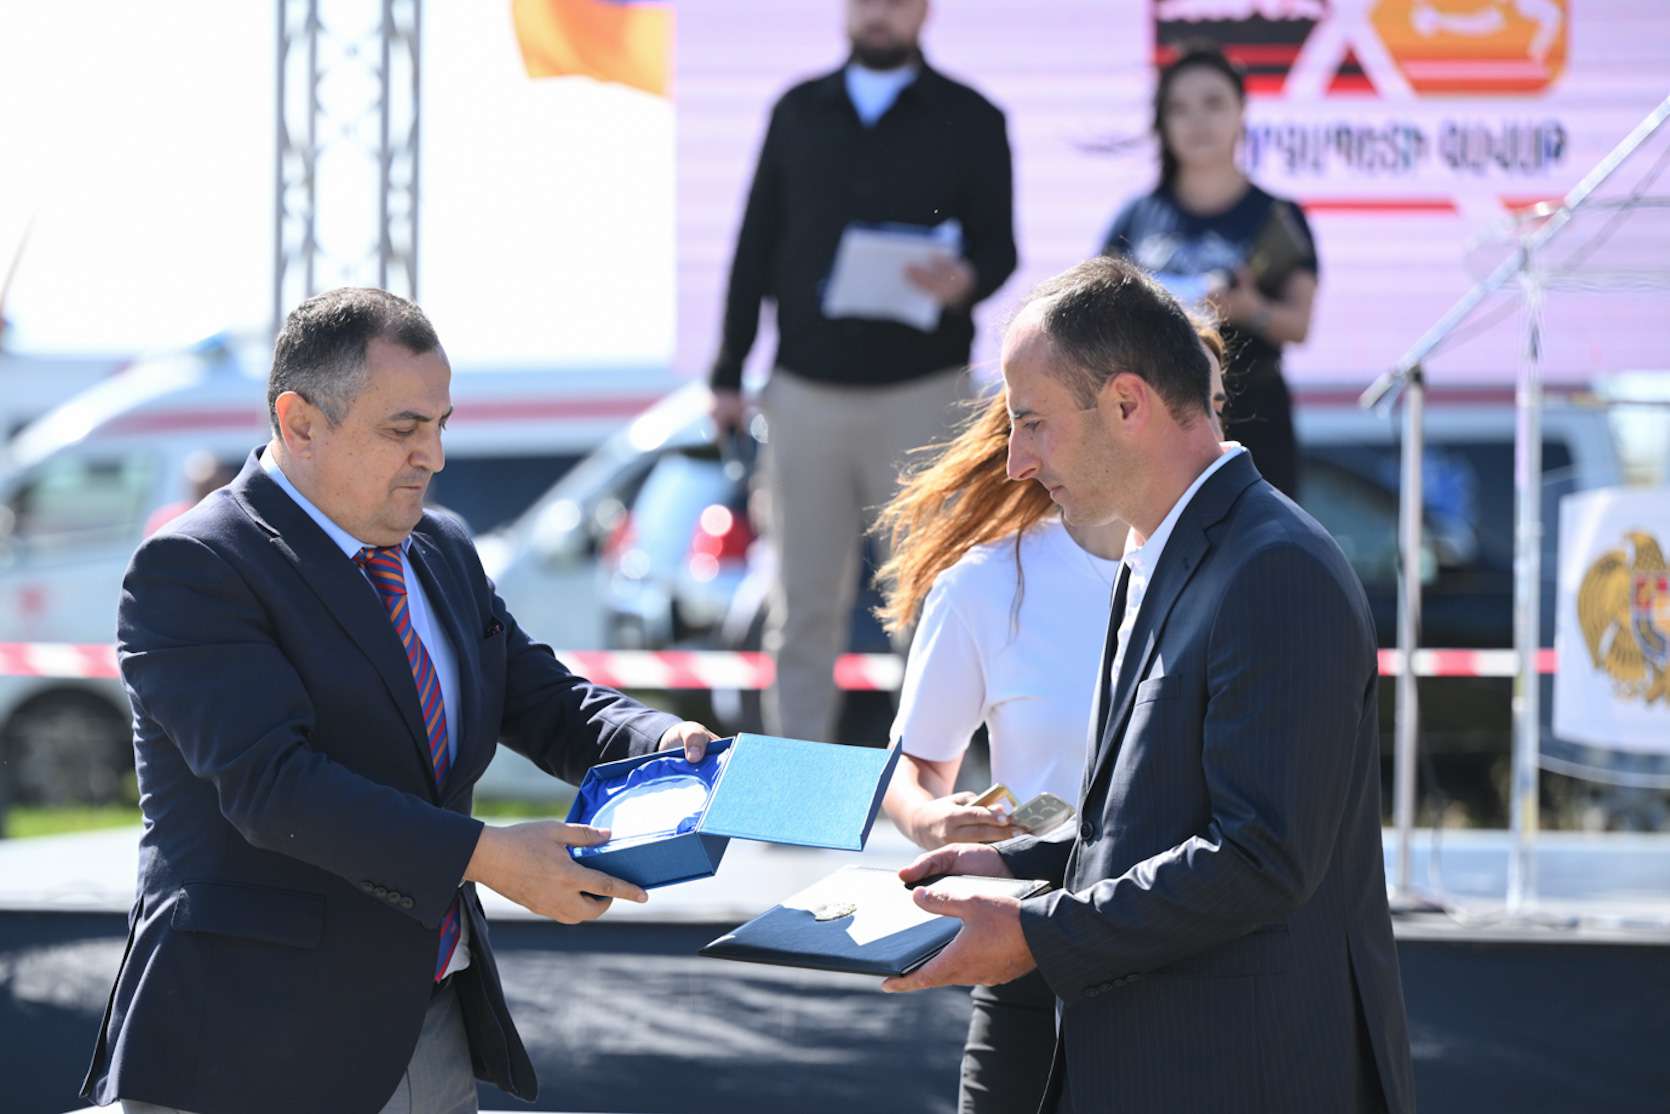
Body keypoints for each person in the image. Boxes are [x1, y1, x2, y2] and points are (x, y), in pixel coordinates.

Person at [81, 288, 720, 1114]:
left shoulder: (441, 545)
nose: (435, 456)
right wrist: (489, 857)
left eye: (441, 424)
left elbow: (539, 696)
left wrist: (661, 741)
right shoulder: (197, 567)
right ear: (300, 423)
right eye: (404, 429)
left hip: (427, 1026)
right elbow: (274, 789)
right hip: (246, 1046)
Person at [881, 257, 1414, 1114]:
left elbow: (1260, 858)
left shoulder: (1273, 567)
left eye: (1033, 423)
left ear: (1128, 404)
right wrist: (1011, 863)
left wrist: (1036, 934)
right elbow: (1147, 825)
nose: (1015, 460)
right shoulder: (1170, 552)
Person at [876, 324, 1228, 1114]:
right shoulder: (984, 582)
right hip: (1032, 952)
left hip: (1196, 963)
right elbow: (910, 764)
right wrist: (934, 820)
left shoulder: (1242, 567)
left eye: (1212, 402)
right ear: (1123, 407)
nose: (1207, 429)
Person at [708, 0, 1017, 742]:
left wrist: (967, 278)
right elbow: (755, 244)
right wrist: (727, 371)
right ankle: (795, 791)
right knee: (802, 607)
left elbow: (1000, 248)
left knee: (931, 599)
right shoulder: (797, 111)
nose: (880, 13)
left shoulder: (973, 116)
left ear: (925, 11)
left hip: (926, 394)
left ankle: (931, 782)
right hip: (805, 393)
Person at [1100, 44, 1318, 501]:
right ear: (1162, 122)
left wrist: (1248, 310)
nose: (1197, 121)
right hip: (1156, 418)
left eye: (1214, 103)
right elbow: (1097, 316)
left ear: (1242, 112)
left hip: (1253, 416)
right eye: (1180, 108)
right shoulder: (1137, 217)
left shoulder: (1277, 216)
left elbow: (1299, 324)